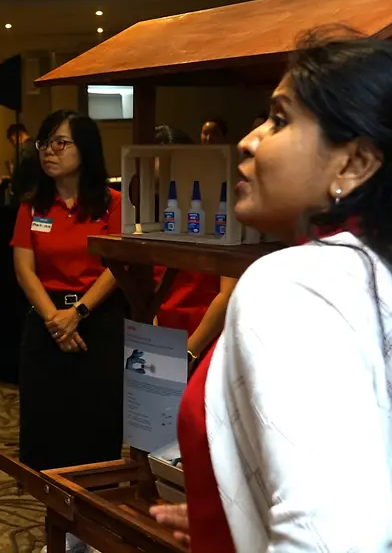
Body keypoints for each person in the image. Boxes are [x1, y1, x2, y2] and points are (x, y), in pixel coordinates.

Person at [152, 32, 392, 551]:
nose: (248, 140)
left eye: (279, 120)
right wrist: (242, 514)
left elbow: (333, 538)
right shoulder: (368, 270)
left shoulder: (298, 283)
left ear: (353, 164)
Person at [11, 110, 126, 553]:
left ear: (86, 149)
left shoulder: (113, 203)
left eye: (60, 142)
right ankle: (59, 533)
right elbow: (25, 269)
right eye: (44, 143)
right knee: (49, 434)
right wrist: (55, 321)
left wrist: (77, 313)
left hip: (97, 321)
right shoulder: (33, 205)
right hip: (46, 326)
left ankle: (94, 535)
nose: (49, 151)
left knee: (96, 430)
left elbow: (118, 266)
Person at [151, 125, 236, 367]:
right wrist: (154, 338)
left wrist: (189, 351)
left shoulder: (220, 213)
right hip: (161, 338)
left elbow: (227, 293)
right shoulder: (148, 216)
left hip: (207, 340)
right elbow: (146, 290)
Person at [7, 123, 39, 199]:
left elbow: (17, 173)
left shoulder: (21, 149)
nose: (13, 144)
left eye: (12, 141)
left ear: (17, 135)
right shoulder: (38, 145)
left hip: (25, 193)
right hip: (39, 190)